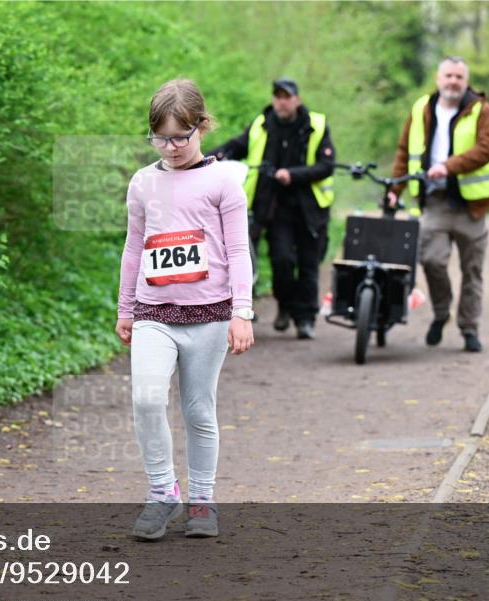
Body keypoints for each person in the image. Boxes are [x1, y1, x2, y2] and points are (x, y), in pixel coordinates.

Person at [116, 78, 254, 540]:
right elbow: (133, 248)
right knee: (147, 399)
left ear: (202, 128)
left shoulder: (223, 183)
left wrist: (243, 312)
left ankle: (202, 500)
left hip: (210, 314)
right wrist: (125, 309)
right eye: (161, 137)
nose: (171, 147)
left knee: (199, 410)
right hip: (154, 311)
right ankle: (162, 493)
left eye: (181, 136)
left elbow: (238, 251)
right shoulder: (143, 183)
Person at [387, 56, 489, 352]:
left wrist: (449, 166)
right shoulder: (421, 108)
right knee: (431, 260)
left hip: (471, 206)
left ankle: (469, 329)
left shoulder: (481, 110)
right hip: (434, 202)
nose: (453, 82)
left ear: (466, 81)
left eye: (459, 77)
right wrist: (395, 188)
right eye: (448, 76)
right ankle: (441, 313)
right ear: (438, 79)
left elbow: (487, 149)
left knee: (472, 270)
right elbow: (404, 151)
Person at [207, 78, 335, 339]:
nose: (281, 101)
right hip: (276, 210)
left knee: (309, 265)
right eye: (277, 96)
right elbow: (236, 147)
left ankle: (305, 319)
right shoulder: (262, 125)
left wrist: (293, 174)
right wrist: (205, 158)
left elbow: (327, 166)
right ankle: (286, 307)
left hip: (310, 209)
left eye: (286, 96)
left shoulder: (316, 125)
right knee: (282, 261)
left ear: (297, 99)